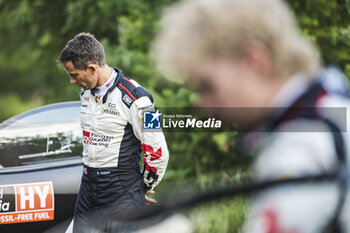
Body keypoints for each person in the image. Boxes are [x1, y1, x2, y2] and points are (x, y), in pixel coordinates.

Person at [154, 0, 350, 232]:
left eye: (207, 86)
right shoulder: (331, 106)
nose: (203, 106)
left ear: (254, 60)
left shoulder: (299, 146)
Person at [58, 32, 169, 232]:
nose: (72, 82)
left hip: (122, 191)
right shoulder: (85, 90)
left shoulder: (139, 98)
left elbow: (158, 151)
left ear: (92, 68)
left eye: (74, 75)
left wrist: (142, 187)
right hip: (88, 187)